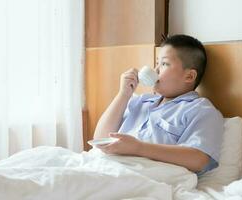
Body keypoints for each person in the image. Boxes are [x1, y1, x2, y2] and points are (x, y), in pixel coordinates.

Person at [93, 34, 223, 175]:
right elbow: (99, 138)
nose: (155, 70)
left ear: (189, 76)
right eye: (156, 63)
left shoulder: (200, 110)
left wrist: (138, 148)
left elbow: (199, 159)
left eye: (164, 64)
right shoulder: (139, 101)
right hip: (103, 166)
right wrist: (123, 94)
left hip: (138, 174)